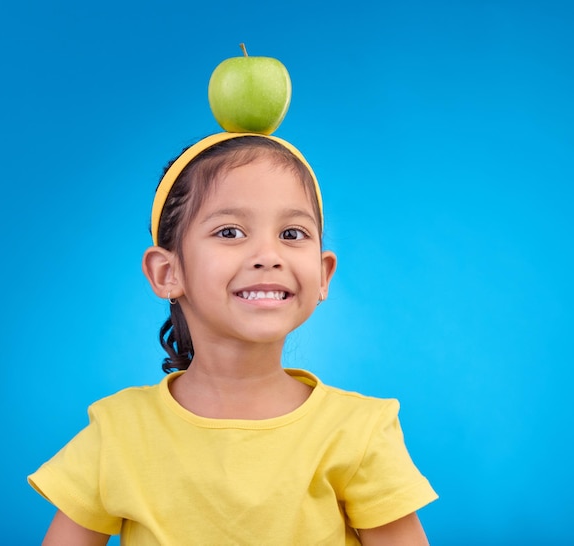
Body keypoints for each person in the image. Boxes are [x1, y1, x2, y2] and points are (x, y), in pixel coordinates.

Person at [29, 132, 438, 545]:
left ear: (323, 274)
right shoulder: (118, 432)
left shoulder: (358, 433)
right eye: (229, 232)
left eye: (292, 234)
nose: (268, 254)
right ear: (166, 273)